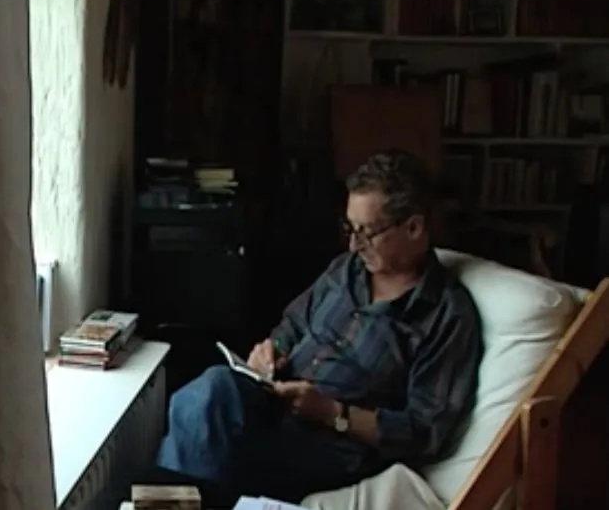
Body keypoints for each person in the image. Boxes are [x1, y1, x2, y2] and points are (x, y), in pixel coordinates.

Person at [147, 149, 483, 505]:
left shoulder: (446, 316)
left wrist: (331, 413)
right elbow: (292, 324)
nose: (354, 245)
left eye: (367, 233)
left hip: (333, 442)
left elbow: (425, 431)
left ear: (414, 228)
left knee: (207, 430)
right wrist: (272, 351)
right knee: (207, 391)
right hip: (274, 402)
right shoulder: (346, 270)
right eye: (350, 229)